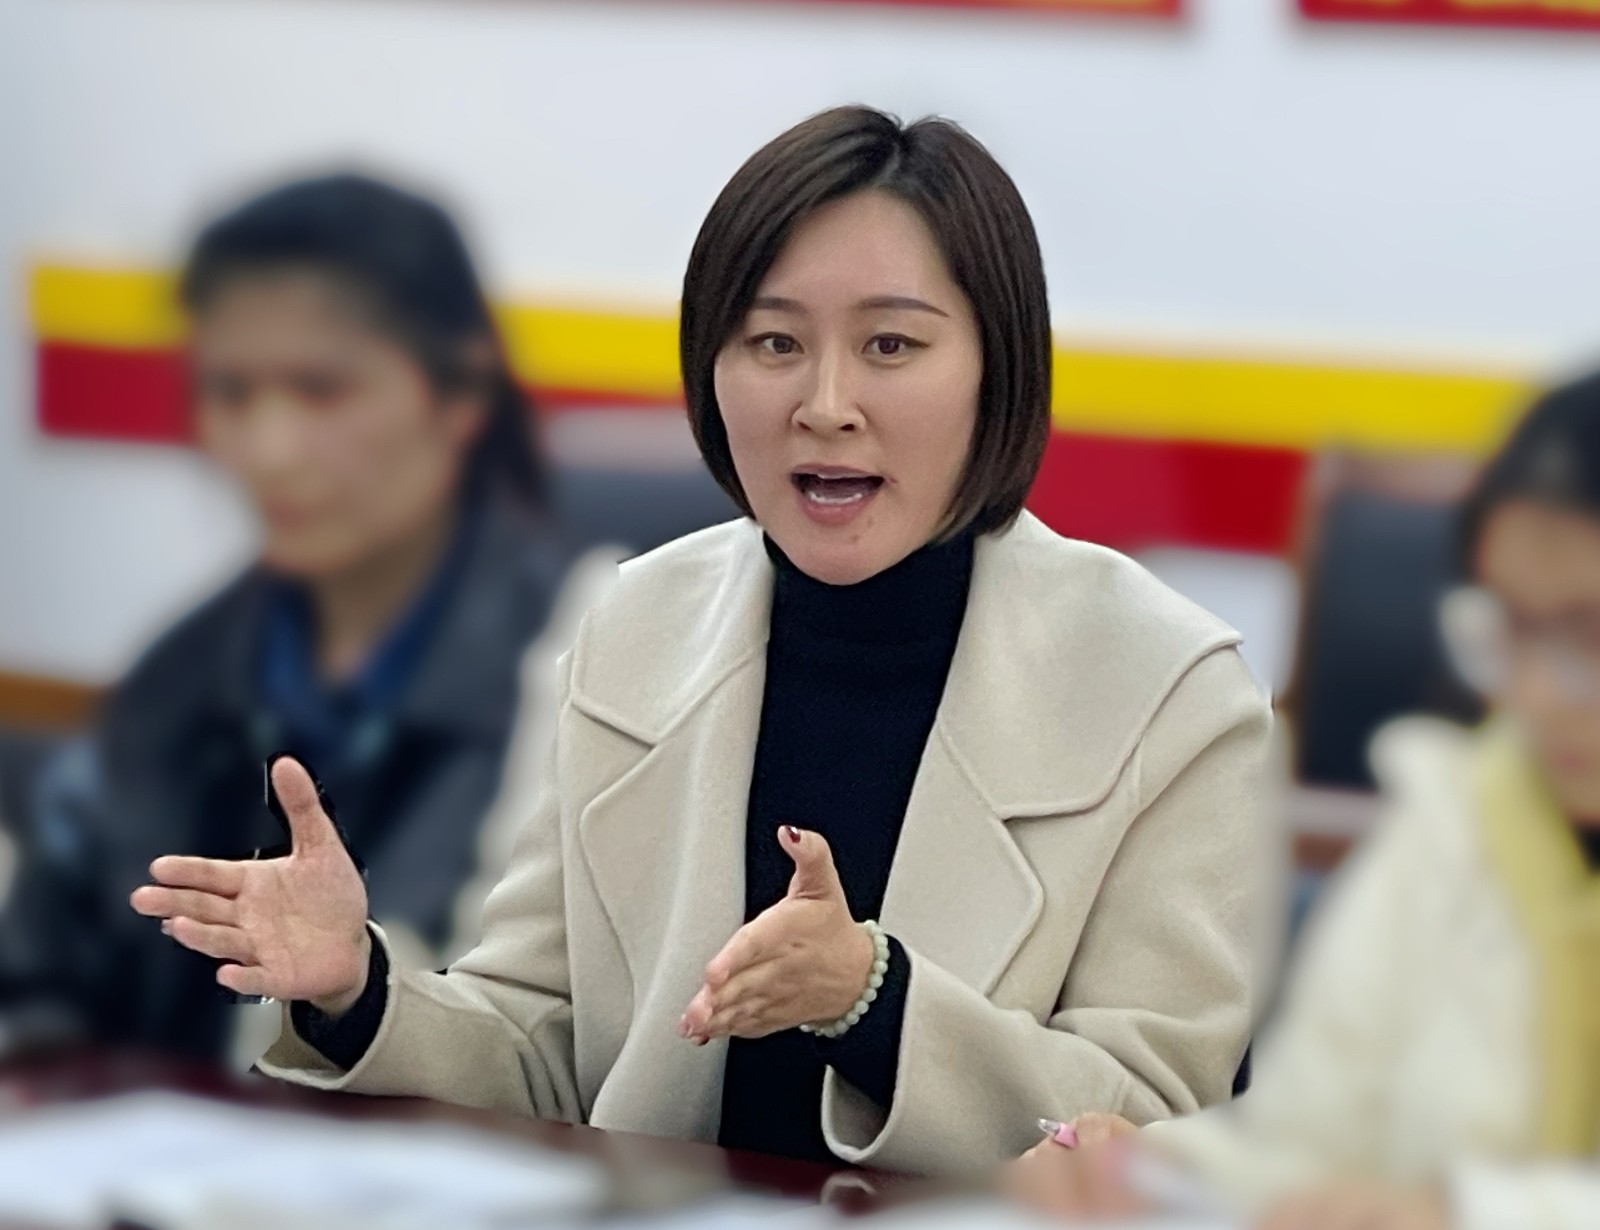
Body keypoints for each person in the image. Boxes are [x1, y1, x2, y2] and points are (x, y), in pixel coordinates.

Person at [131, 106, 1270, 1173]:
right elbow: (545, 1048)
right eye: (773, 343)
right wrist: (358, 988)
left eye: (890, 345)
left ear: (996, 370)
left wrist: (874, 1002)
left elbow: (1158, 1121)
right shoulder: (635, 625)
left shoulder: (1169, 689)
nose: (825, 403)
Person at [0, 173, 608, 1067]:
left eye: (322, 390)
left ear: (461, 395)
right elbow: (43, 970)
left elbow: (529, 1038)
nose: (270, 450)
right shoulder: (186, 667)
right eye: (231, 393)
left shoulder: (581, 660)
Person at [1009, 371, 1600, 1230]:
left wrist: (1472, 1222)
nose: (1538, 693)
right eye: (1512, 628)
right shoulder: (1467, 819)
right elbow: (1309, 1141)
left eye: (1587, 634)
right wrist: (1153, 1170)